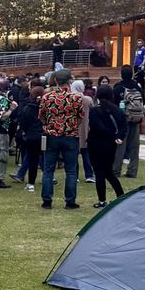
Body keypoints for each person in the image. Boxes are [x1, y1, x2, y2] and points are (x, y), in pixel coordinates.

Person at [38, 69, 84, 210]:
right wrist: (72, 126)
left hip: (52, 136)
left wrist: (49, 125)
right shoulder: (75, 98)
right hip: (70, 136)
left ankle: (47, 200)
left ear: (56, 81)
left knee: (48, 169)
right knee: (71, 170)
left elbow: (41, 116)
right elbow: (80, 116)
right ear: (69, 80)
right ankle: (70, 201)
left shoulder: (47, 98)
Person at [87, 85, 126, 208]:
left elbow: (97, 127)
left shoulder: (95, 111)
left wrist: (111, 135)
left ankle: (102, 200)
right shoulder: (118, 111)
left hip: (96, 143)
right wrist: (118, 136)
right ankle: (120, 195)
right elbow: (123, 127)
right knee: (108, 171)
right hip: (111, 145)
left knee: (99, 172)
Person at [112, 66, 145, 179]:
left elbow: (113, 105)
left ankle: (116, 171)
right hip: (136, 119)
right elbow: (143, 102)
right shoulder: (137, 87)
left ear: (121, 74)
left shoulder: (118, 87)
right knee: (134, 147)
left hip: (122, 120)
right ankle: (133, 171)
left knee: (120, 145)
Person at [11, 81, 44, 192]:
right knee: (45, 158)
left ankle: (31, 184)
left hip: (31, 136)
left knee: (32, 159)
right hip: (44, 136)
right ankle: (49, 178)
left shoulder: (28, 108)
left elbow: (23, 123)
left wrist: (25, 131)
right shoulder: (46, 109)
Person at [70, 80, 95, 184]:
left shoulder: (70, 99)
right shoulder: (88, 99)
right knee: (86, 153)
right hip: (85, 128)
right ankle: (89, 175)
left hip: (73, 128)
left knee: (73, 154)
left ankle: (74, 175)